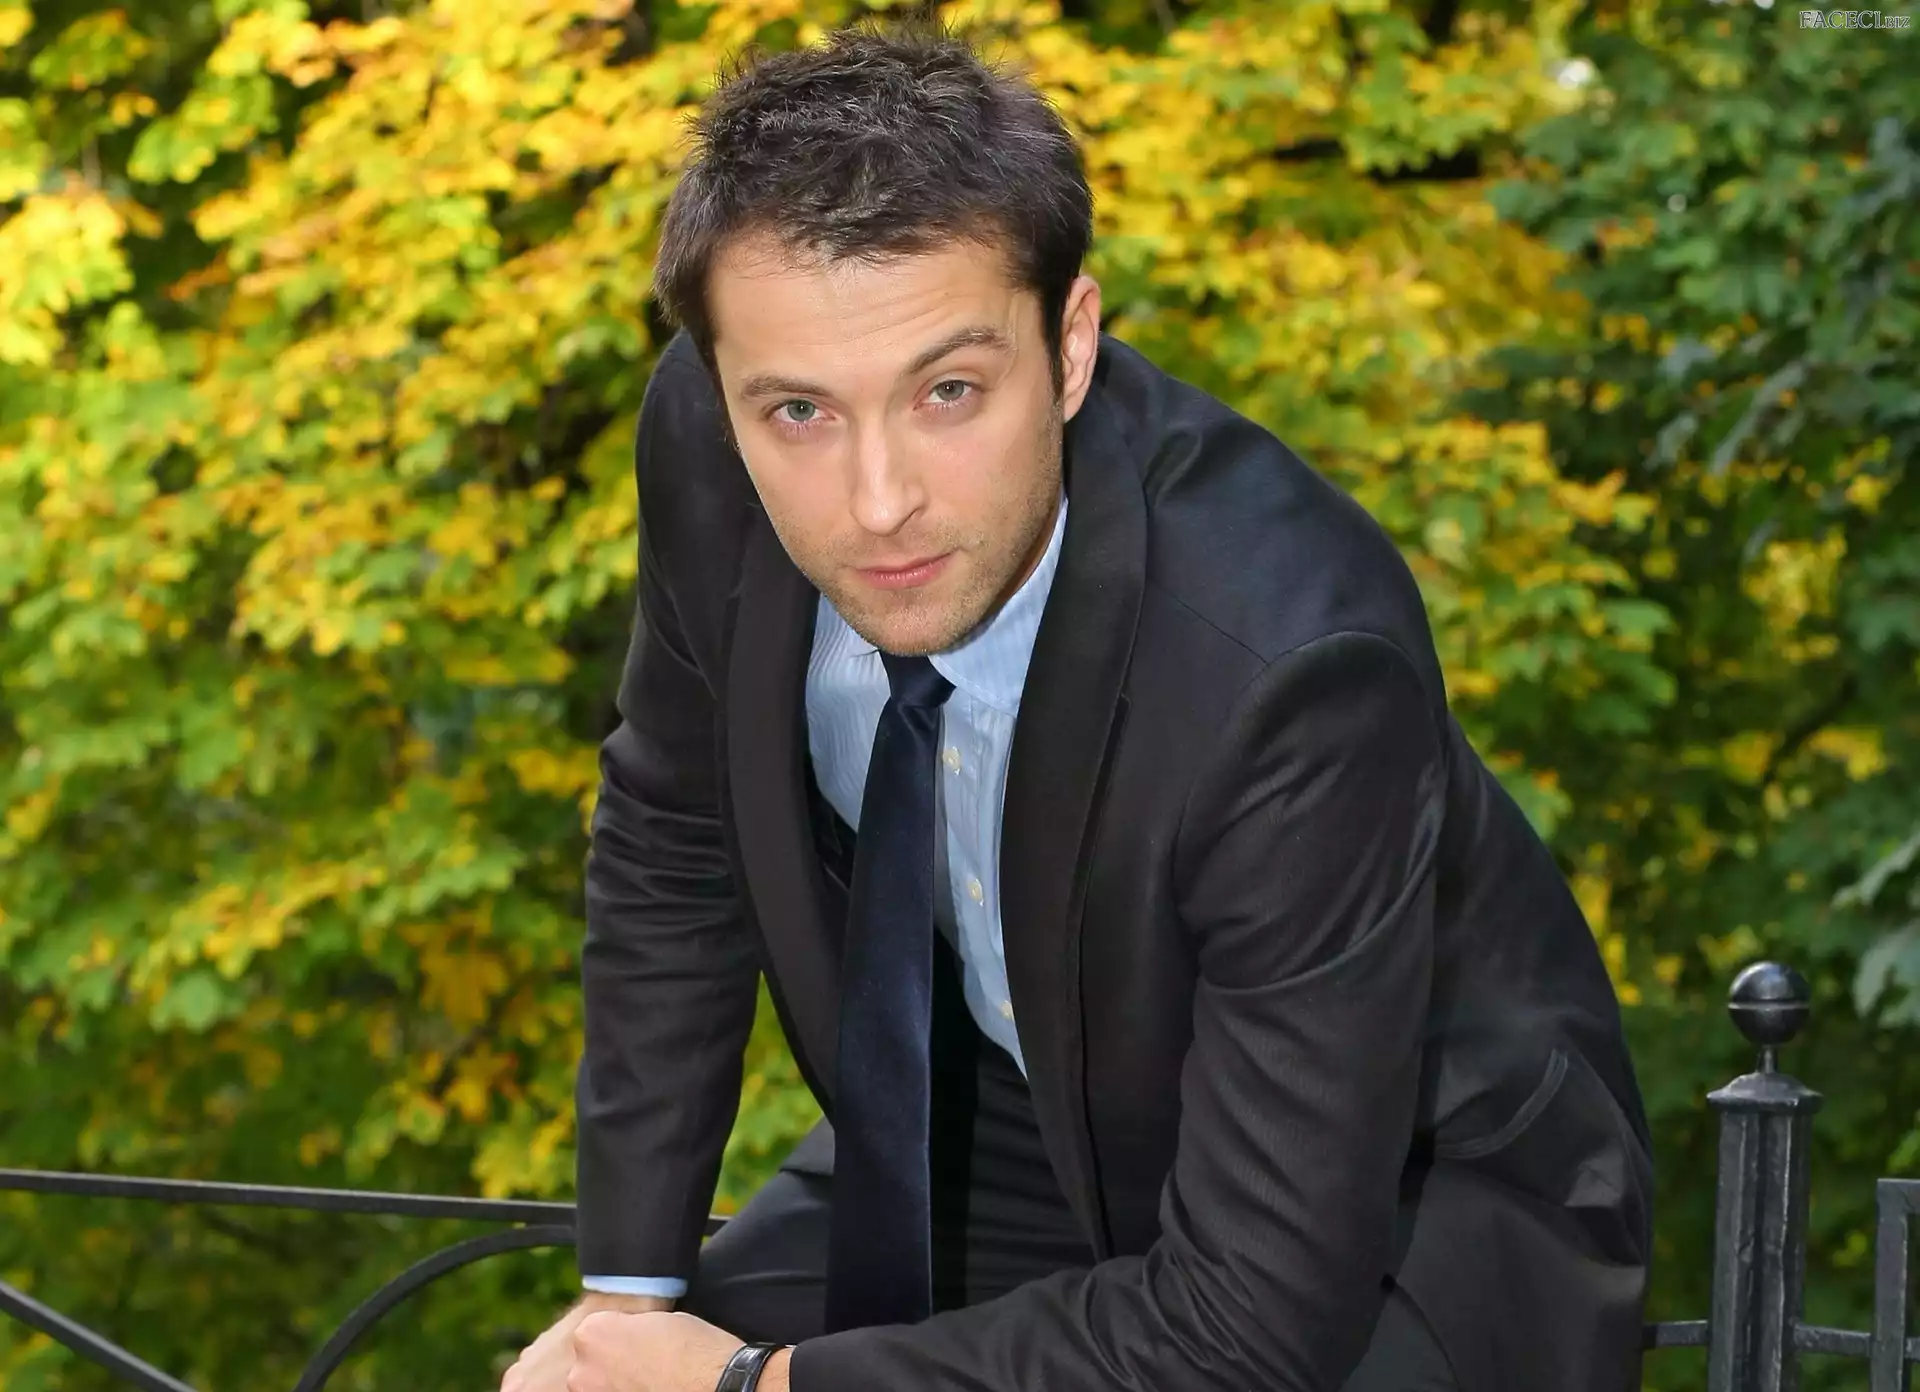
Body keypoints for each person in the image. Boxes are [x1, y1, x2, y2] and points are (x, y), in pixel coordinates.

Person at [501, 20, 1654, 1392]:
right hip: (1025, 1113)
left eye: (949, 392)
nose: (879, 502)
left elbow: (1245, 1328)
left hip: (1407, 1188)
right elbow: (675, 835)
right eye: (799, 413)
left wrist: (754, 1387)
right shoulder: (705, 443)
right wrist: (626, 1304)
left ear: (1070, 346)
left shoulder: (1290, 666)